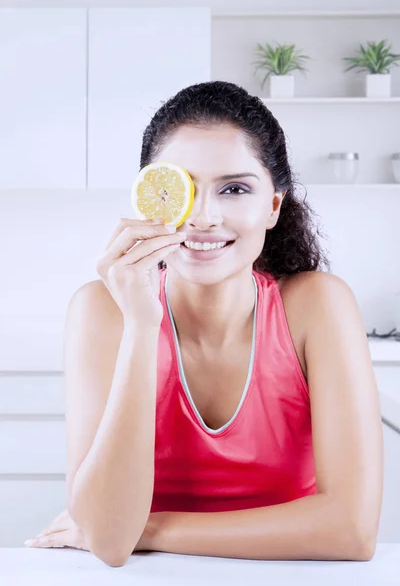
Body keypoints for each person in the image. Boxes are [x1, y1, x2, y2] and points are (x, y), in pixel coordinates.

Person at [25, 81, 383, 567]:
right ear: (150, 198)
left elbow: (351, 531)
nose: (203, 216)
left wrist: (149, 528)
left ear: (273, 206)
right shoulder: (102, 311)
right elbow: (110, 544)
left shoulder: (318, 306)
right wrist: (140, 326)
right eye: (180, 188)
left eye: (234, 189)